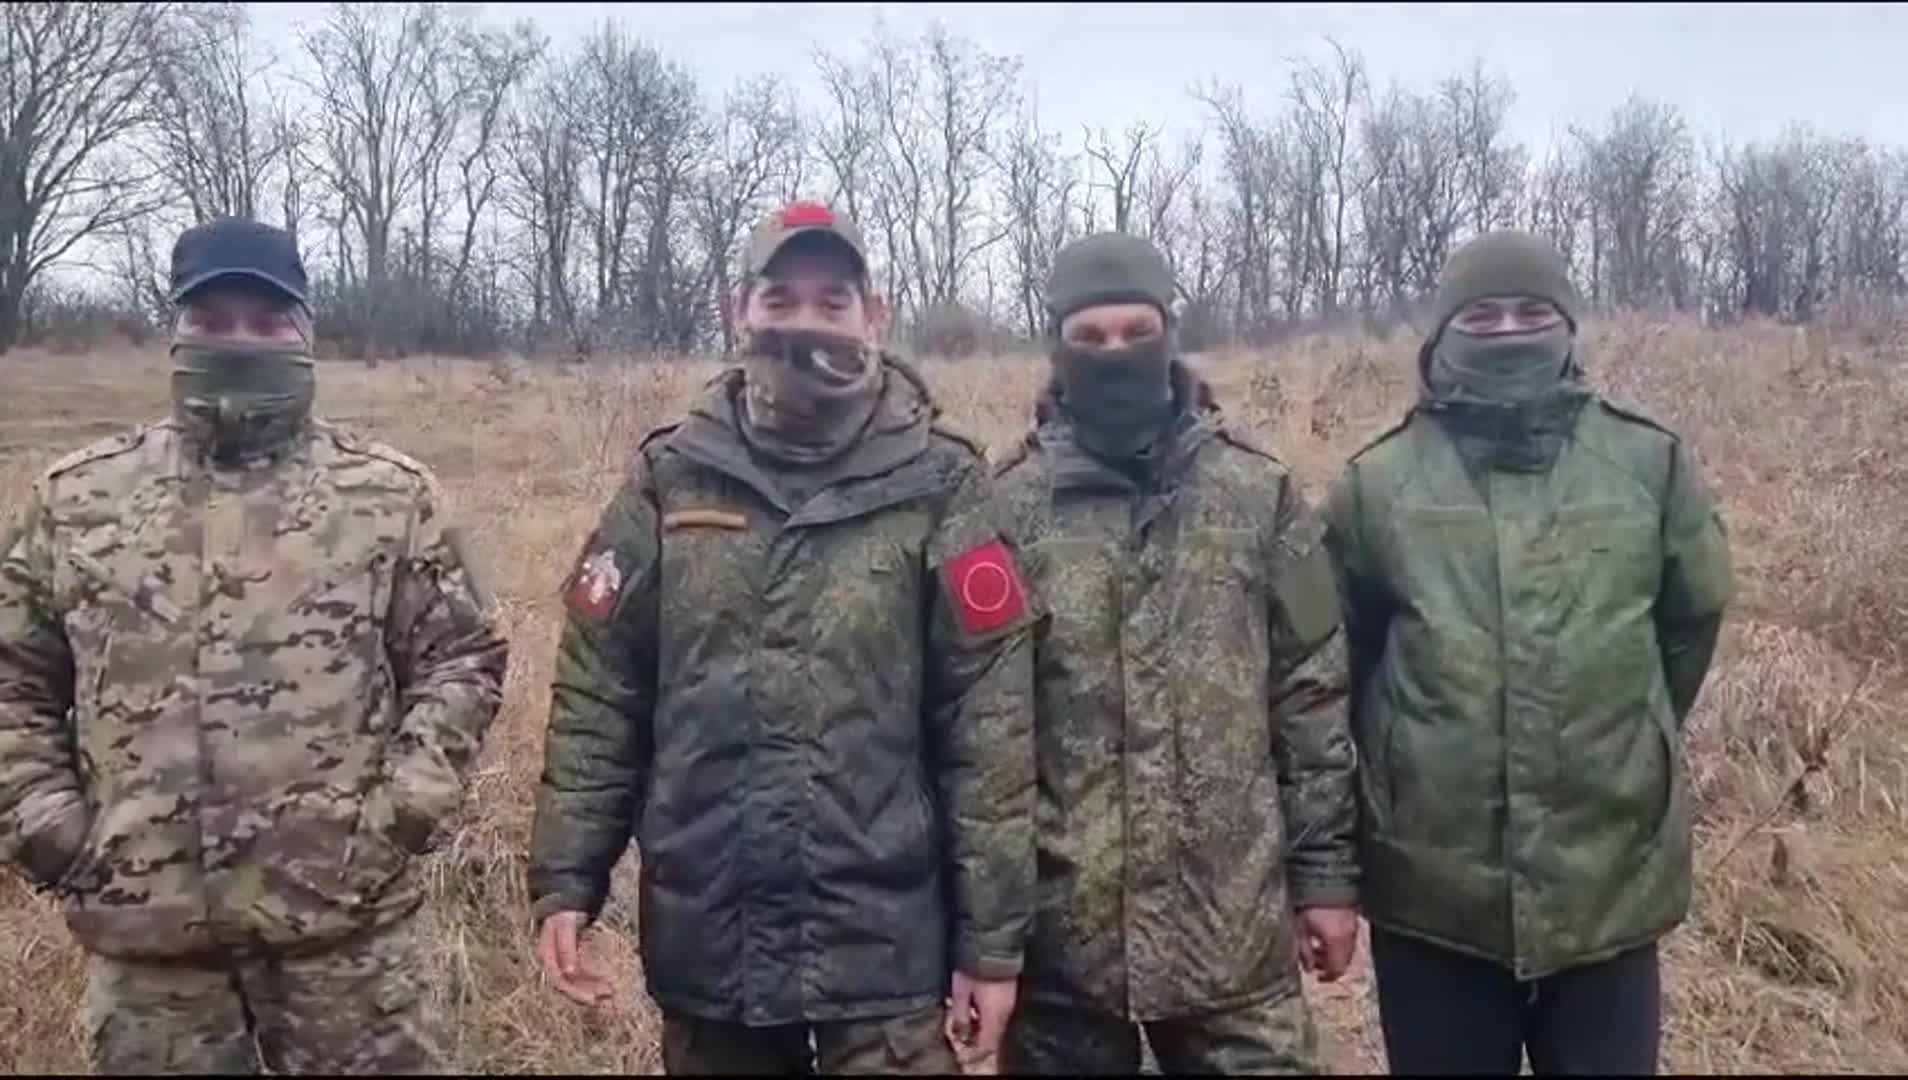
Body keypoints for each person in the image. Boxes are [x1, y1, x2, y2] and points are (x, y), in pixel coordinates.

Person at [527, 200, 1038, 1075]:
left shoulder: (941, 481)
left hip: (886, 949)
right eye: (780, 300)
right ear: (739, 309)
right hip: (710, 937)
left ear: (875, 316)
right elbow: (601, 689)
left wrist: (991, 945)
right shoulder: (671, 476)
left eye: (831, 303)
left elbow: (987, 726)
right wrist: (568, 876)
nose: (805, 324)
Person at [0, 217, 509, 1074]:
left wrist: (398, 816)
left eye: (266, 321)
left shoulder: (387, 496)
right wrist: (51, 827)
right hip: (152, 953)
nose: (238, 340)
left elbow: (463, 659)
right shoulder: (77, 500)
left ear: (304, 331)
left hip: (346, 942)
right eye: (212, 318)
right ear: (176, 329)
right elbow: (14, 676)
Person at [1321, 230, 1735, 1075]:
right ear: (1443, 332)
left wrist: (1629, 738)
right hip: (1432, 892)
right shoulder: (1377, 484)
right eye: (1483, 314)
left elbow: (1689, 624)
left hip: (1608, 881)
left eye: (1531, 312)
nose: (1508, 330)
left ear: (1568, 325)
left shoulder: (1648, 464)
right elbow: (1335, 664)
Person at [990, 231, 1360, 1075]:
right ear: (1056, 346)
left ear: (1170, 332)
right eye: (1090, 336)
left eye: (1137, 331)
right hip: (1065, 957)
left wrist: (1327, 877)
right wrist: (986, 933)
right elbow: (981, 731)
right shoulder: (1007, 507)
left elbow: (1312, 692)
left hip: (1234, 941)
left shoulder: (1257, 493)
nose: (1115, 352)